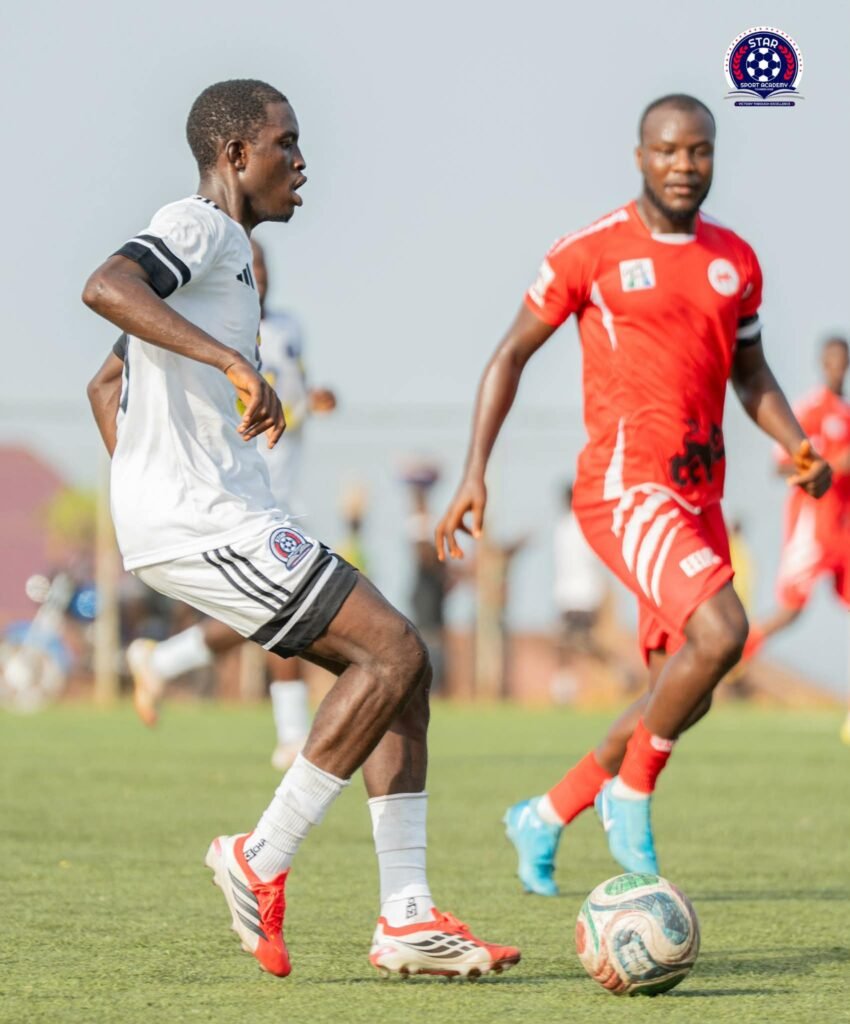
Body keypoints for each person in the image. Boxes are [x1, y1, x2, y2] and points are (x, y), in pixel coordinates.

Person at [83, 78, 518, 978]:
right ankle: (261, 856)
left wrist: (150, 476)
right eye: (285, 143)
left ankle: (406, 916)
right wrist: (228, 376)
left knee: (400, 672)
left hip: (207, 514)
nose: (302, 160)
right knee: (395, 650)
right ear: (236, 154)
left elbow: (105, 382)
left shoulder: (230, 262)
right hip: (205, 519)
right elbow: (106, 285)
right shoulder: (201, 224)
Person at [435, 93, 831, 895]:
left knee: (683, 691)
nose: (684, 165)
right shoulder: (591, 251)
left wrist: (796, 443)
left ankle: (546, 813)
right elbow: (509, 355)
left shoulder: (735, 260)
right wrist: (475, 469)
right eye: (668, 150)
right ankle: (631, 793)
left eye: (699, 151)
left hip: (699, 497)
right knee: (723, 632)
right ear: (640, 155)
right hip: (625, 488)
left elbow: (751, 374)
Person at [89, 239, 335, 771]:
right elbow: (104, 383)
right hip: (239, 495)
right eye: (250, 268)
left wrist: (313, 401)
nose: (259, 277)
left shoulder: (286, 327)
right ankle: (292, 737)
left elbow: (289, 393)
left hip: (281, 488)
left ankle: (164, 662)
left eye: (264, 267)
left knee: (276, 609)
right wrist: (141, 475)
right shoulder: (203, 324)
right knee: (296, 604)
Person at [743, 337, 850, 738]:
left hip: (843, 526)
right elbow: (781, 467)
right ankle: (736, 653)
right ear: (823, 363)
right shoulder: (808, 410)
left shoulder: (846, 413)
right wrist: (829, 466)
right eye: (832, 360)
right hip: (811, 524)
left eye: (843, 361)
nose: (837, 367)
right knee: (791, 608)